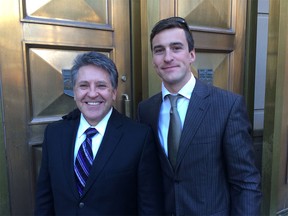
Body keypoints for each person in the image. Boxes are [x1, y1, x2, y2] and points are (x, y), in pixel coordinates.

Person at [137, 16, 262, 215]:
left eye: (176, 48)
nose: (167, 57)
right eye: (159, 50)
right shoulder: (146, 110)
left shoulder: (227, 106)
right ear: (153, 60)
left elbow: (245, 181)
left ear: (192, 54)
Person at [35, 51, 164, 215]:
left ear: (114, 92)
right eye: (84, 85)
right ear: (74, 91)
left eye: (101, 85)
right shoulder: (54, 134)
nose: (92, 93)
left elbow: (149, 208)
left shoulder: (139, 137)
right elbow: (44, 201)